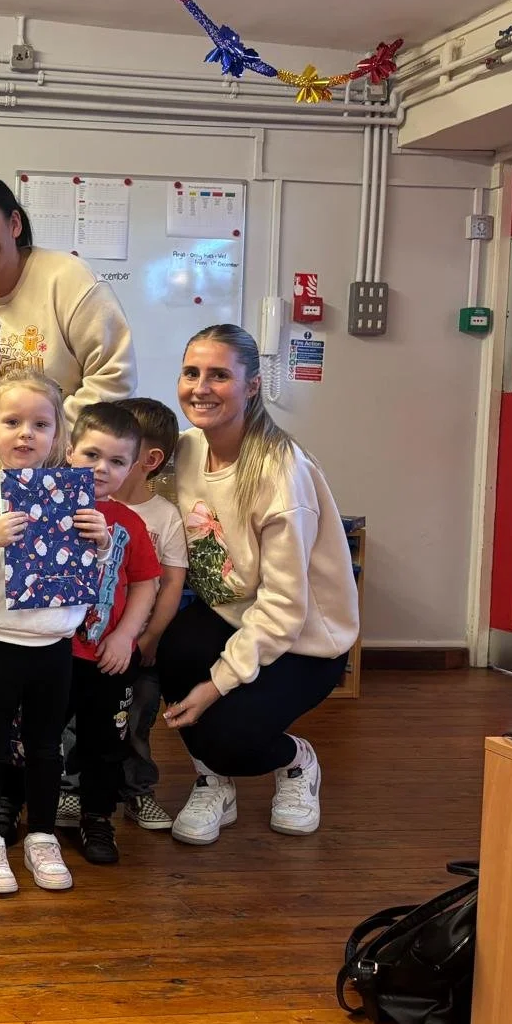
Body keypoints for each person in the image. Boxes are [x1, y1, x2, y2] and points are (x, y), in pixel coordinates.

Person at [158, 324, 359, 846]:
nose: (200, 387)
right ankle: (213, 781)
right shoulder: (183, 452)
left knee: (228, 735)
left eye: (219, 375)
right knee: (170, 647)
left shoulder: (280, 472)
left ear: (251, 386)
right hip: (229, 614)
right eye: (191, 373)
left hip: (304, 640)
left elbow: (284, 609)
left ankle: (294, 761)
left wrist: (214, 686)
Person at [0, 373, 92, 896]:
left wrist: (97, 543)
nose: (26, 434)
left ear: (58, 436)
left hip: (53, 643)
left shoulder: (70, 492)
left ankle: (40, 835)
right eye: (12, 422)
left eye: (40, 424)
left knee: (45, 745)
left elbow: (85, 575)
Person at [0, 175, 137, 428]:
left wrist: (47, 434)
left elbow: (114, 377)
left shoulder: (70, 280)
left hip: (64, 456)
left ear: (14, 224)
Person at [63, 403, 160, 866]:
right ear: (69, 451)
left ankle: (97, 815)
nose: (102, 468)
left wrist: (125, 637)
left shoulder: (131, 523)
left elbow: (146, 582)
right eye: (91, 454)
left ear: (133, 468)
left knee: (104, 742)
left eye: (117, 461)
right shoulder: (42, 508)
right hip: (50, 652)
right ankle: (27, 807)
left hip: (106, 655)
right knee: (35, 734)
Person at [112, 397, 189, 831]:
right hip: (88, 643)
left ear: (149, 459)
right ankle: (73, 788)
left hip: (141, 646)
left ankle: (138, 793)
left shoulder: (165, 516)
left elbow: (172, 582)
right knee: (76, 719)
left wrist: (152, 638)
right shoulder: (91, 505)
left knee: (136, 721)